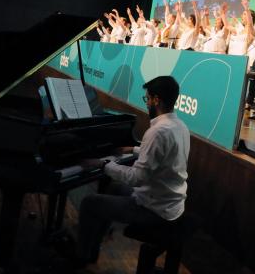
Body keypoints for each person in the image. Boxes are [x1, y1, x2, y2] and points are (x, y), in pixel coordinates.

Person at [72, 76, 190, 268]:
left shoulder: (157, 132)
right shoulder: (180, 126)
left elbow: (137, 178)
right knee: (112, 189)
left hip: (153, 210)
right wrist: (132, 149)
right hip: (171, 204)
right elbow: (161, 155)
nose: (147, 104)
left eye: (147, 99)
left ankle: (81, 257)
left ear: (156, 100)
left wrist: (102, 164)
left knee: (88, 203)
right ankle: (92, 248)